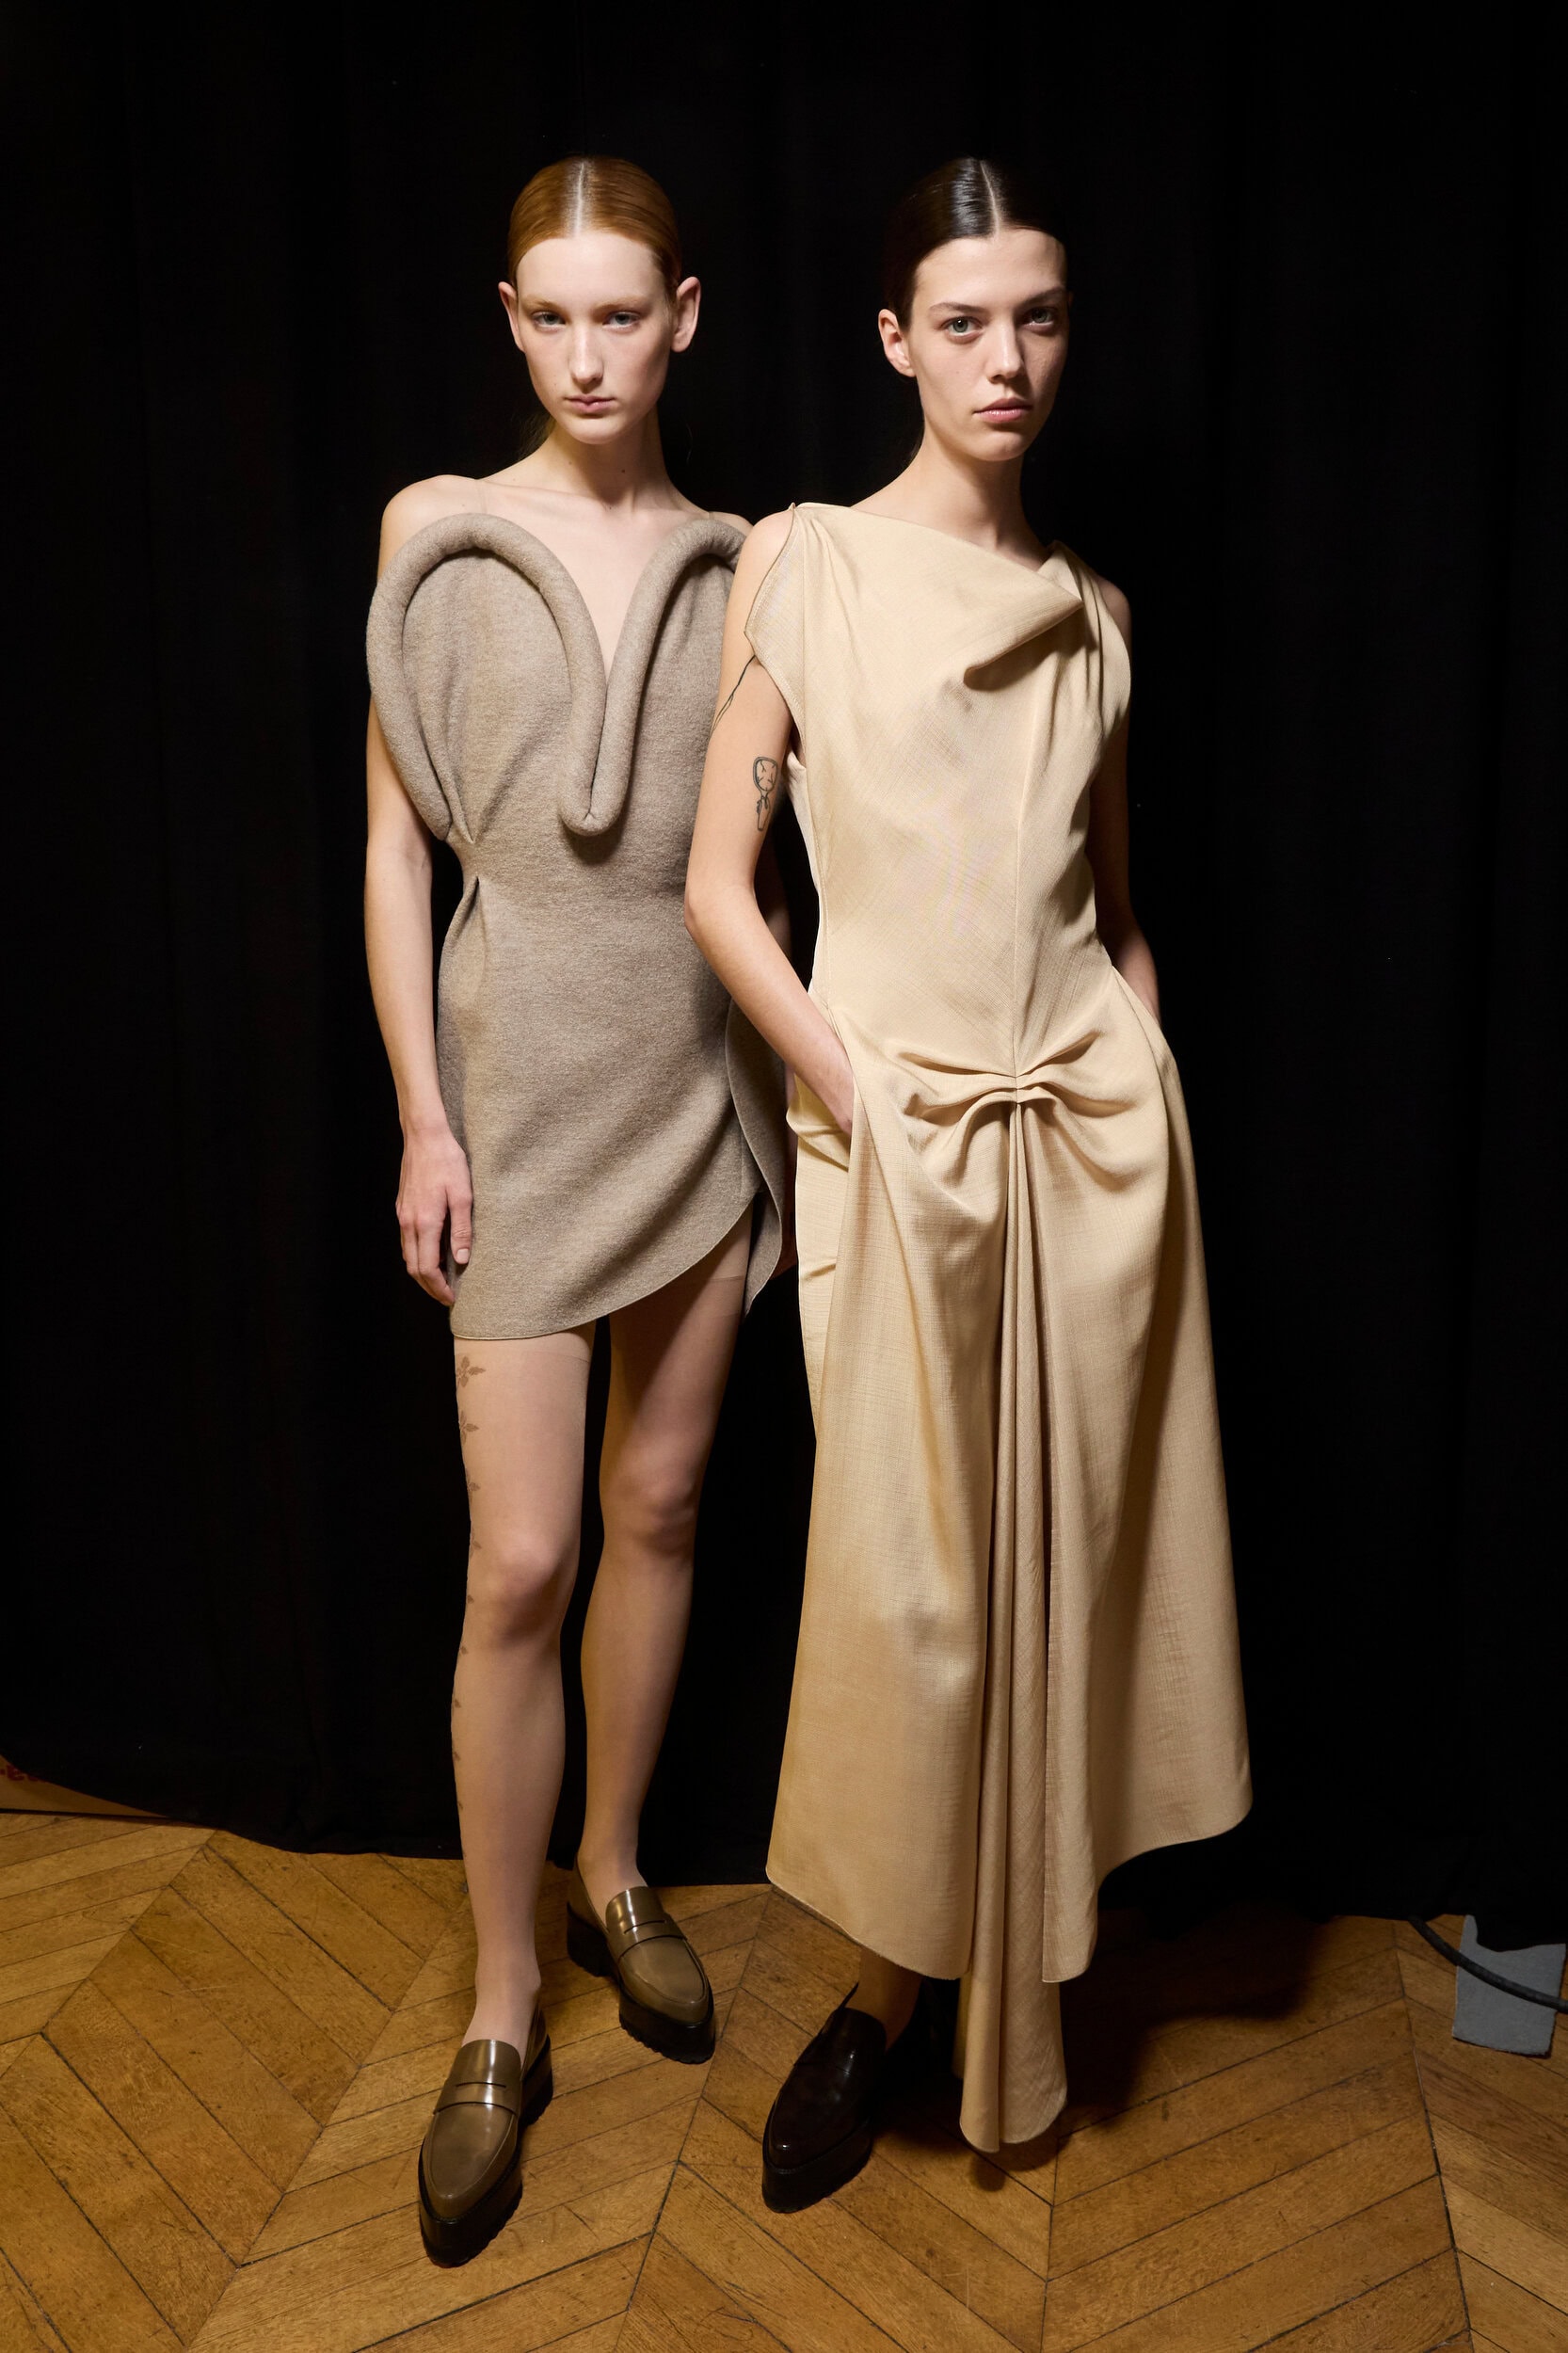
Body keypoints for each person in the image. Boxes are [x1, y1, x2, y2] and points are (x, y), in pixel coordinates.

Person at [685, 155, 1250, 2209]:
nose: (1005, 358)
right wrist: (858, 1092)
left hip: (1089, 1156)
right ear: (893, 341)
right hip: (897, 1147)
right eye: (962, 321)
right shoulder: (803, 566)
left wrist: (1141, 1081)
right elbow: (716, 890)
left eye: (1038, 317)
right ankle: (884, 1995)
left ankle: (1017, 1962)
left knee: (1059, 1580)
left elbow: (1113, 915)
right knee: (915, 1600)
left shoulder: (1096, 617)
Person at [363, 154, 785, 2265]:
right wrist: (422, 1119)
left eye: (626, 314)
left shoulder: (751, 564)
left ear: (683, 317)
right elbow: (390, 848)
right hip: (514, 1095)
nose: (589, 354)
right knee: (519, 1555)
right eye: (554, 315)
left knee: (661, 1506)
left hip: (693, 1086)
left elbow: (772, 858)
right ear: (511, 320)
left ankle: (616, 1870)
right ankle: (502, 1996)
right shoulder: (436, 531)